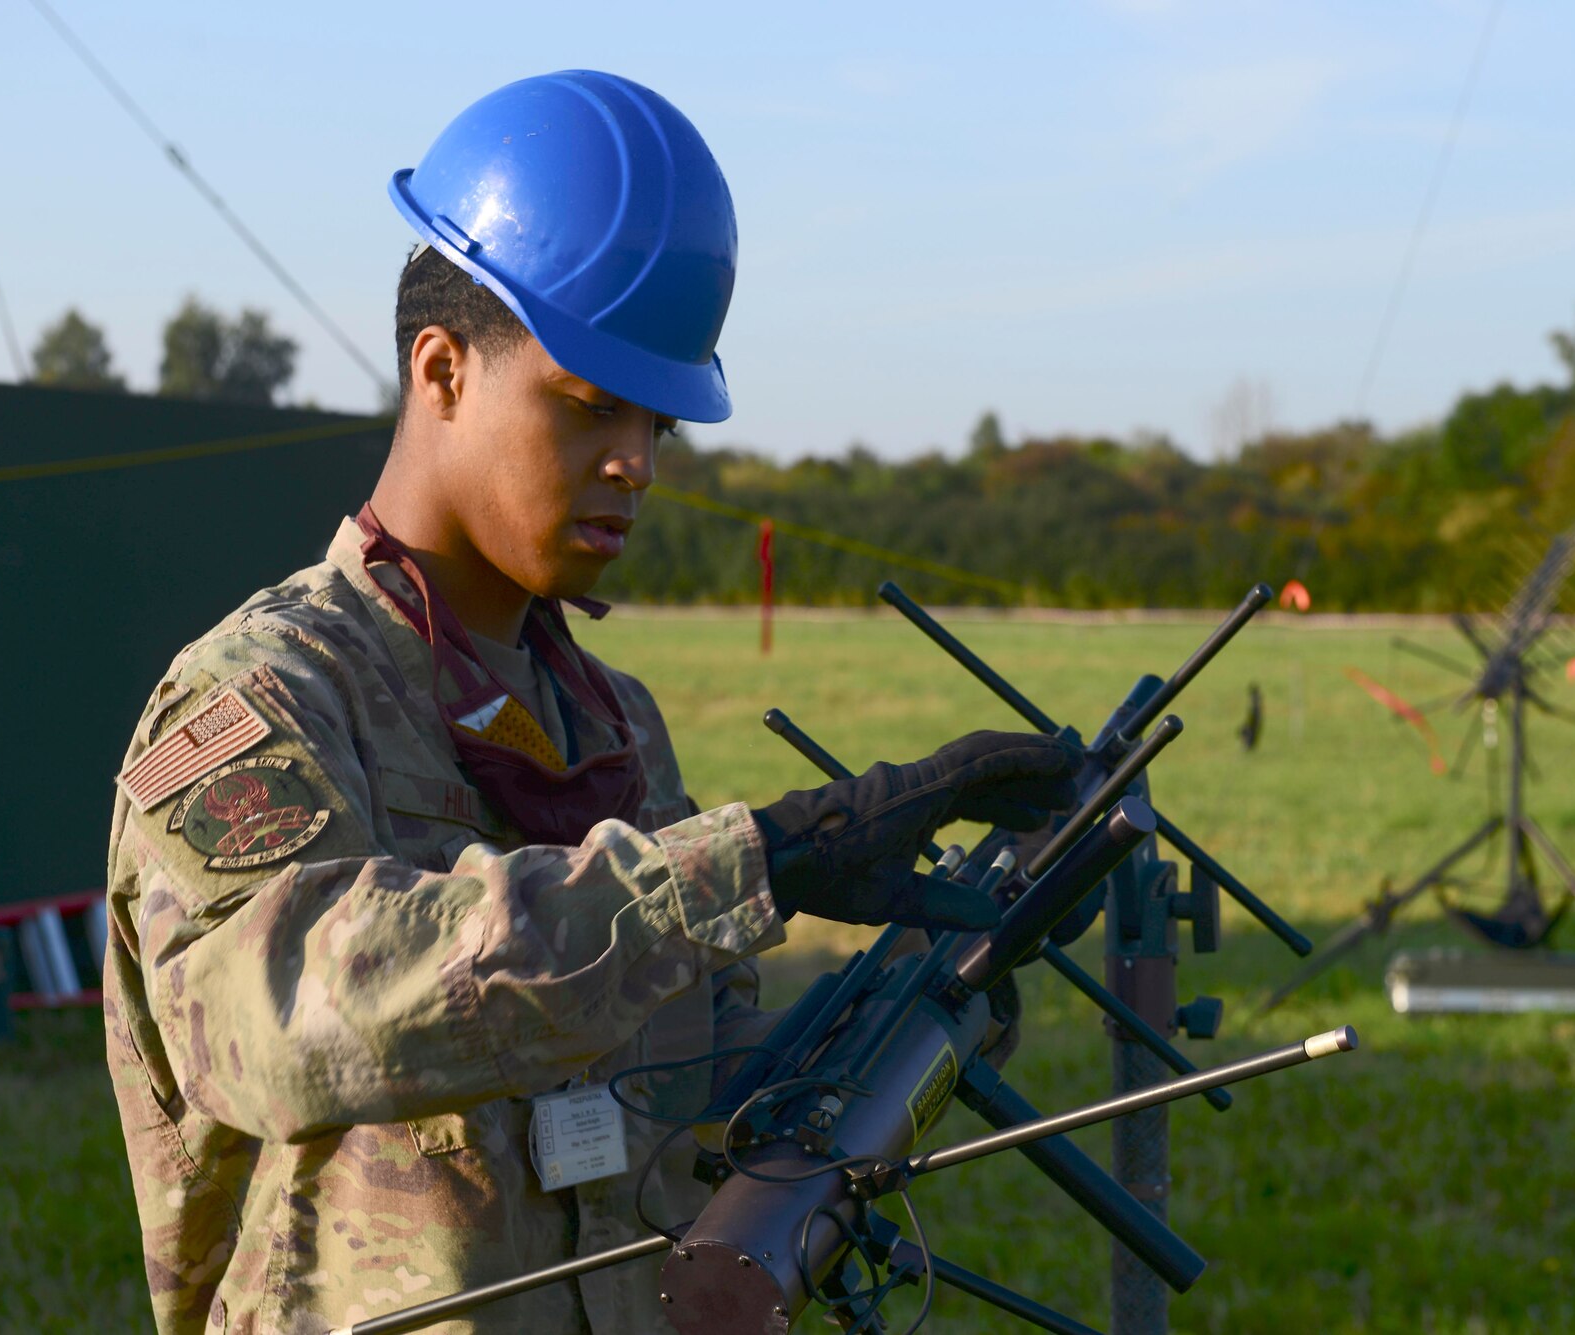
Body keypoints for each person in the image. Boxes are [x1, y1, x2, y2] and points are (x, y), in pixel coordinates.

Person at [101, 70, 1076, 1335]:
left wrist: (920, 1010)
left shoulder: (612, 727)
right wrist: (762, 860)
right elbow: (284, 1020)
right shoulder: (261, 696)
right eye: (586, 405)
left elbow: (689, 1105)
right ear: (441, 370)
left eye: (657, 420)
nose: (636, 462)